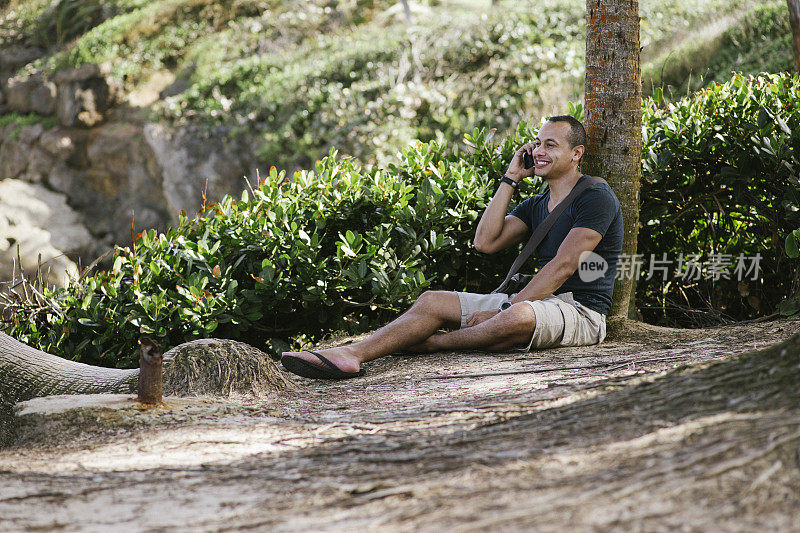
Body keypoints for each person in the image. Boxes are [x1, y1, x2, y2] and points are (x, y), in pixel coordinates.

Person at [281, 115, 623, 379]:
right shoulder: (536, 204)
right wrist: (510, 178)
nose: (538, 151)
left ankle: (430, 343)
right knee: (431, 301)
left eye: (550, 145)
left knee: (516, 316)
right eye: (536, 144)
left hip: (581, 311)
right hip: (539, 302)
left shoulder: (595, 196)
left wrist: (502, 311)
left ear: (576, 153)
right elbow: (485, 242)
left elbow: (563, 265)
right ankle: (351, 355)